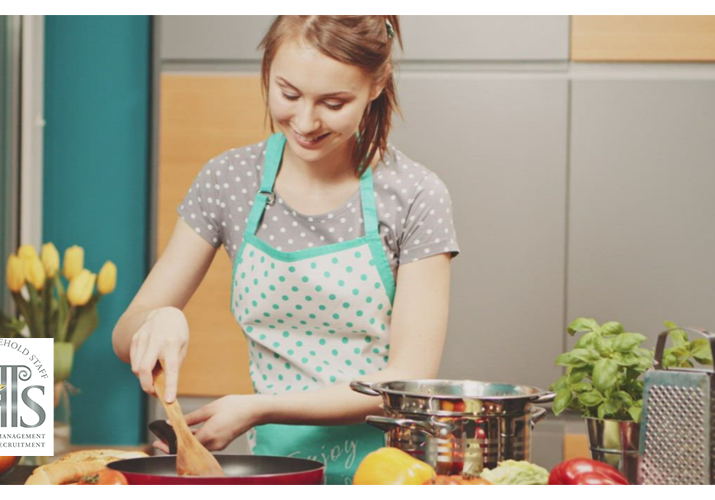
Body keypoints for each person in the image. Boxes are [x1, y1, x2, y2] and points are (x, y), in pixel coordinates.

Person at [113, 15, 460, 484]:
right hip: (279, 475)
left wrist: (259, 408)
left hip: (393, 476)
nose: (306, 122)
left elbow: (405, 381)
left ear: (377, 84)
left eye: (333, 103)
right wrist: (159, 318)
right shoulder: (229, 181)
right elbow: (124, 334)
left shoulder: (415, 194)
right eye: (289, 94)